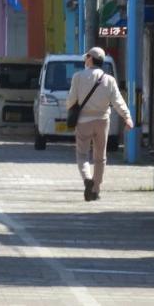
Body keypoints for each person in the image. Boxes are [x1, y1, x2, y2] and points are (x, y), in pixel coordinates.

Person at [65, 46, 134, 202]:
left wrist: (70, 108)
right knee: (100, 157)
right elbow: (118, 101)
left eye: (86, 57)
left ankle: (87, 178)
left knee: (82, 154)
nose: (85, 60)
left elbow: (71, 100)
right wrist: (127, 117)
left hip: (83, 121)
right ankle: (95, 189)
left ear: (90, 58)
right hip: (103, 121)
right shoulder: (109, 80)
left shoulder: (78, 77)